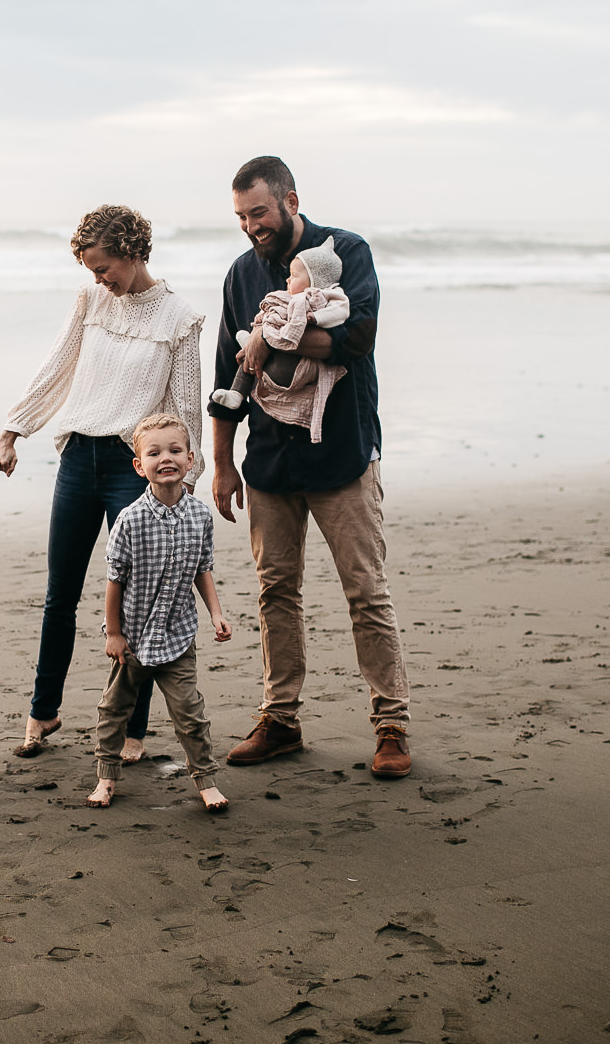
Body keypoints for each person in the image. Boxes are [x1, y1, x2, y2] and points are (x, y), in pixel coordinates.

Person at [208, 156, 412, 779]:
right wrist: (220, 462)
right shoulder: (241, 274)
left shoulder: (345, 252)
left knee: (365, 591)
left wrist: (269, 338)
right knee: (276, 592)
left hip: (343, 451)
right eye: (241, 216)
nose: (251, 227)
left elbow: (356, 338)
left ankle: (391, 724)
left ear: (291, 199)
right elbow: (228, 373)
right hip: (268, 459)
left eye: (260, 213)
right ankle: (280, 719)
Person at [0, 205, 205, 760]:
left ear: (133, 254)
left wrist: (186, 480)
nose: (98, 279)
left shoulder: (180, 319)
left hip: (131, 469)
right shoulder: (90, 301)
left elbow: (184, 409)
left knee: (133, 604)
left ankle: (133, 730)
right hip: (77, 460)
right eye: (90, 270)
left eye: (103, 267)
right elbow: (57, 367)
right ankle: (44, 712)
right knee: (60, 593)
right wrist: (13, 431)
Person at [88, 413, 231, 812]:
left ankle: (205, 780)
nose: (164, 458)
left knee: (190, 713)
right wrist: (113, 634)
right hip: (133, 637)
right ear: (139, 465)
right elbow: (114, 581)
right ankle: (106, 778)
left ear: (190, 459)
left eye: (174, 450)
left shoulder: (200, 516)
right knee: (114, 710)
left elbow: (203, 569)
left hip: (178, 635)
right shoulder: (130, 520)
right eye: (154, 453)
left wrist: (216, 613)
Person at [209, 239, 349, 442]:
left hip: (290, 368)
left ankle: (251, 344)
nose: (288, 280)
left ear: (313, 278)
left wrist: (315, 318)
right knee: (249, 357)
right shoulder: (282, 295)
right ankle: (236, 393)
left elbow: (341, 312)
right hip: (271, 362)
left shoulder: (325, 297)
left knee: (254, 349)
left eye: (294, 276)